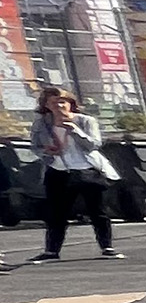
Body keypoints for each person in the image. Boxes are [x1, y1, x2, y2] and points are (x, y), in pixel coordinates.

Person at [29, 86, 123, 262]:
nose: (59, 106)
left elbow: (94, 145)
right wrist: (46, 152)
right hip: (58, 170)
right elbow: (35, 146)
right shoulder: (41, 124)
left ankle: (107, 247)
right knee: (57, 213)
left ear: (71, 103)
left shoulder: (86, 121)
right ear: (47, 106)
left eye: (62, 102)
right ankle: (51, 251)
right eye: (53, 103)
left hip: (86, 169)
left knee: (97, 211)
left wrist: (74, 129)